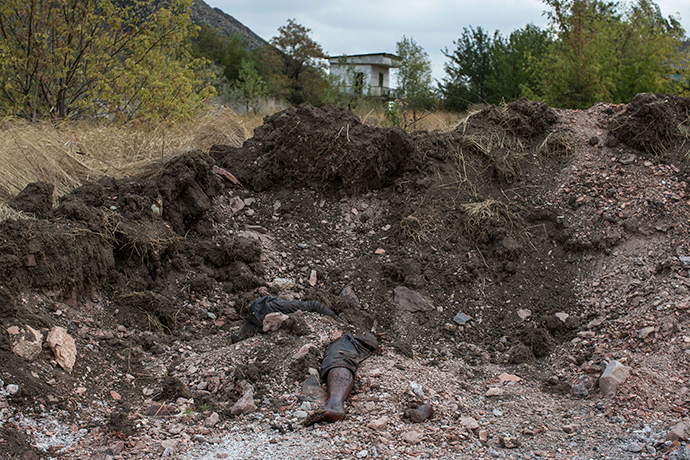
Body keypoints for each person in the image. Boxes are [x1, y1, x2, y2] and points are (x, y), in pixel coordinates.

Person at [303, 331, 379, 426]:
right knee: (339, 356)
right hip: (353, 337)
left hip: (354, 338)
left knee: (339, 357)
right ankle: (334, 404)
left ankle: (334, 405)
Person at [231, 296, 336, 343]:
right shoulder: (255, 318)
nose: (266, 329)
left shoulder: (282, 307)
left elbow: (314, 305)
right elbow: (239, 337)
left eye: (270, 325)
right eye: (267, 324)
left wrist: (335, 318)